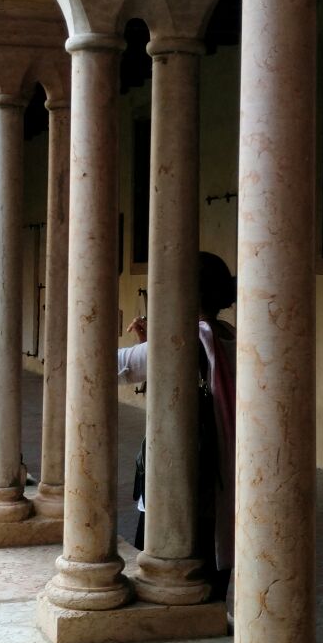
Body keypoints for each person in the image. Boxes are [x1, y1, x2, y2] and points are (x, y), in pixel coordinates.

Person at [118, 252, 236, 601]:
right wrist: (152, 344)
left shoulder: (187, 339)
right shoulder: (228, 333)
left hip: (191, 471)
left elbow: (116, 367)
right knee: (215, 572)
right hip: (227, 468)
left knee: (178, 575)